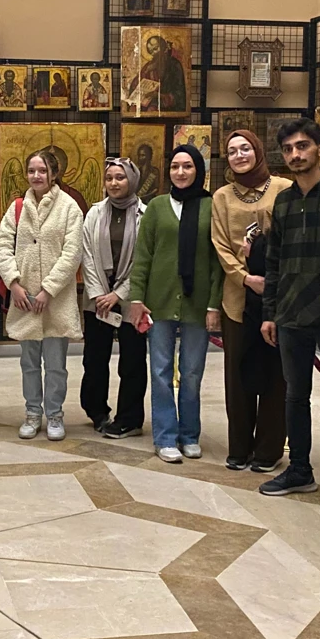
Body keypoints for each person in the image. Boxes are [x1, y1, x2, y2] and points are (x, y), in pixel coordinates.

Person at [258, 119, 320, 518]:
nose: (296, 154)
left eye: (302, 146)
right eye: (288, 149)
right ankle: (299, 469)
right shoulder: (283, 201)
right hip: (290, 313)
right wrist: (270, 312)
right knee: (295, 395)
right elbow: (274, 261)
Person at [128, 147, 222, 463]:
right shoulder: (156, 207)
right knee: (160, 371)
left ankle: (190, 434)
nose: (180, 172)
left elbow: (217, 260)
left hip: (198, 303)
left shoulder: (211, 206)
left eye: (188, 166)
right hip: (159, 302)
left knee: (192, 372)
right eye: (175, 167)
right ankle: (165, 436)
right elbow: (143, 255)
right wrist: (137, 299)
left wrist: (214, 304)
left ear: (199, 171)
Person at [212, 129, 292, 471]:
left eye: (245, 148)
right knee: (238, 376)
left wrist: (269, 279)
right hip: (237, 297)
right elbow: (219, 244)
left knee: (276, 376)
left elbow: (291, 238)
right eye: (232, 151)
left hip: (278, 296)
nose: (239, 155)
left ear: (258, 151)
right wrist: (245, 278)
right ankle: (240, 447)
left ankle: (268, 450)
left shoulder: (284, 188)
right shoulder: (222, 196)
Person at [0, 149, 84, 441]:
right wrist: (14, 283)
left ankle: (55, 414)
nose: (37, 176)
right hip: (24, 298)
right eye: (32, 170)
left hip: (56, 300)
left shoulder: (69, 207)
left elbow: (72, 253)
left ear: (54, 174)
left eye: (43, 171)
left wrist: (49, 289)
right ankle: (32, 413)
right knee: (29, 363)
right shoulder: (17, 207)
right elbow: (2, 246)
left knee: (56, 365)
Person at [79, 158, 147, 438]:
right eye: (109, 178)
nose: (114, 183)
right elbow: (86, 254)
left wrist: (118, 294)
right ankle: (96, 411)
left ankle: (129, 419)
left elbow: (144, 261)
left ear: (132, 180)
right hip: (97, 298)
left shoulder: (146, 214)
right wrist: (99, 294)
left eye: (120, 177)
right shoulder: (94, 213)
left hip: (132, 298)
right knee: (95, 358)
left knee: (132, 361)